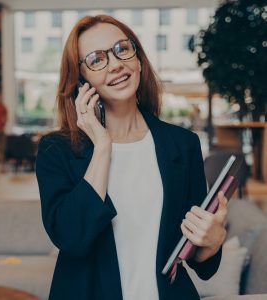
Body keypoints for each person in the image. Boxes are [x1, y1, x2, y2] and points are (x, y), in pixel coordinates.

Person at [36, 15, 228, 300]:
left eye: (122, 49)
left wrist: (212, 243)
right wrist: (102, 146)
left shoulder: (182, 144)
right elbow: (71, 238)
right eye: (96, 59)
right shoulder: (56, 150)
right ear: (81, 81)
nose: (115, 64)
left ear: (138, 60)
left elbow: (198, 260)